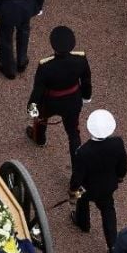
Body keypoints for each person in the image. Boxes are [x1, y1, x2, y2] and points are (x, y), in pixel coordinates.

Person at [26, 25, 92, 173]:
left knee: (41, 120)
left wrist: (31, 106)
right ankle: (77, 169)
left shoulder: (45, 65)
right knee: (74, 134)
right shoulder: (81, 59)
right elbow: (86, 80)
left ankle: (40, 139)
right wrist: (86, 97)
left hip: (50, 101)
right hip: (73, 100)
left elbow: (38, 90)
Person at [68, 109, 127, 252]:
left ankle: (83, 224)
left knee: (82, 202)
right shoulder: (118, 143)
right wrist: (119, 177)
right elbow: (122, 165)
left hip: (87, 188)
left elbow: (77, 177)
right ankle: (112, 244)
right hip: (107, 186)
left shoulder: (83, 152)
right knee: (108, 211)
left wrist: (73, 190)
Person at [0, 0, 44, 79]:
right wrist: (38, 6)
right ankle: (22, 62)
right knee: (23, 32)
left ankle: (8, 69)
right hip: (26, 6)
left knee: (5, 39)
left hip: (5, 10)